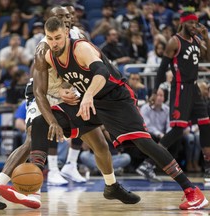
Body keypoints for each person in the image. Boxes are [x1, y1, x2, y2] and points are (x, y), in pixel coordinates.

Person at [33, 16, 208, 210]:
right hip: (91, 102)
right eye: (50, 38)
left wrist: (89, 94)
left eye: (58, 37)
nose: (54, 43)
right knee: (41, 122)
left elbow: (101, 72)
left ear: (66, 33)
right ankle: (32, 186)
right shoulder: (50, 55)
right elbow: (65, 79)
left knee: (144, 143)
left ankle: (192, 191)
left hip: (116, 98)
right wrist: (62, 91)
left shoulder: (81, 48)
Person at [0, 6, 140, 210]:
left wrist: (71, 89)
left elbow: (84, 66)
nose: (67, 19)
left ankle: (112, 185)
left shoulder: (79, 35)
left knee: (99, 143)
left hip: (67, 95)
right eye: (61, 17)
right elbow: (39, 90)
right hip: (44, 94)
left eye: (68, 16)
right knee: (32, 140)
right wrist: (54, 115)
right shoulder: (43, 47)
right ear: (50, 21)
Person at [154, 11, 210, 183]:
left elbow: (207, 57)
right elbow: (162, 68)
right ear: (183, 23)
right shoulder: (174, 41)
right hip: (180, 87)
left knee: (206, 123)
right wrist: (156, 90)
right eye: (191, 23)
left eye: (196, 23)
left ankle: (208, 168)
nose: (194, 26)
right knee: (178, 129)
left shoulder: (197, 40)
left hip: (194, 88)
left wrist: (206, 37)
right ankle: (149, 163)